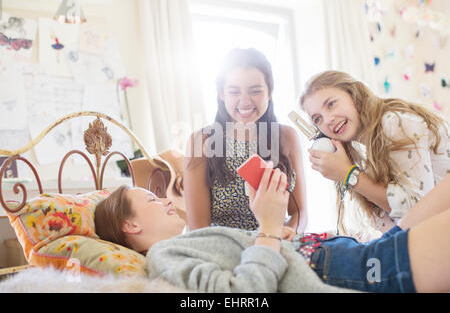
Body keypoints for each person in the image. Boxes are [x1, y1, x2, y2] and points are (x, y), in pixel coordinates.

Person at [95, 164, 450, 293]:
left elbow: (263, 260)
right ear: (131, 224)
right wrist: (266, 225)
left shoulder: (189, 242)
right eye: (154, 201)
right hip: (354, 271)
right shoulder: (163, 257)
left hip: (351, 255)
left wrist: (272, 228)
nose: (168, 200)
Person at [299, 70, 450, 235]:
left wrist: (349, 174)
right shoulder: (369, 152)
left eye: (331, 104)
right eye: (317, 119)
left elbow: (417, 211)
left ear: (354, 95)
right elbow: (394, 228)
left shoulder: (394, 122)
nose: (327, 120)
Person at [183, 48, 307, 237]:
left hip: (277, 241)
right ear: (221, 94)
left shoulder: (286, 136)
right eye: (234, 92)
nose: (245, 102)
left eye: (255, 91)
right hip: (222, 248)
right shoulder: (202, 141)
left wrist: (289, 233)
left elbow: (299, 211)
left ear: (269, 92)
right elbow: (198, 227)